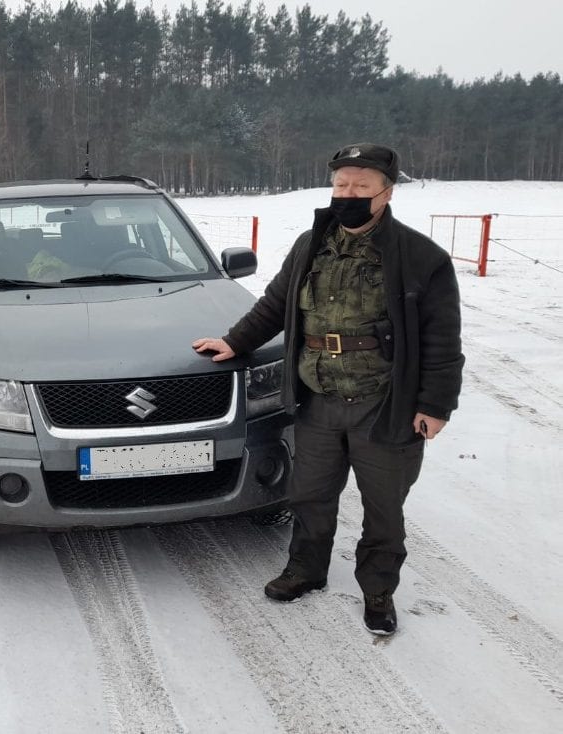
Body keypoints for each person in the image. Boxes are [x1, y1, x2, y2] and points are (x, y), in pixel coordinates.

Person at [193, 143, 464, 635]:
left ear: (387, 191)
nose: (349, 194)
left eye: (361, 186)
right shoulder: (311, 245)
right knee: (311, 494)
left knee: (384, 506)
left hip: (384, 405)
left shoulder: (421, 258)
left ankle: (378, 589)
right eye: (341, 185)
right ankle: (306, 569)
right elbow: (275, 304)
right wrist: (234, 342)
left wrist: (435, 404)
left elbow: (442, 339)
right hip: (317, 398)